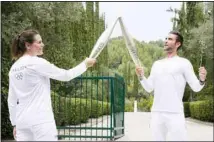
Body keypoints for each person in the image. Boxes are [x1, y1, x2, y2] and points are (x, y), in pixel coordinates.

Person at [7, 29, 96, 141]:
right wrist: (85, 65)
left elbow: (12, 100)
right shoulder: (37, 62)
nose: (42, 44)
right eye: (39, 42)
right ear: (28, 45)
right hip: (41, 121)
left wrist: (15, 123)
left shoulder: (14, 68)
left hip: (21, 123)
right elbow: (66, 75)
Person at [135, 31, 207, 141]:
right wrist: (141, 77)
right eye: (166, 38)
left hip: (175, 113)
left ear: (178, 44)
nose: (166, 41)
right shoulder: (157, 64)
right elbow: (149, 87)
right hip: (157, 113)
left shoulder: (184, 63)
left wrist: (202, 79)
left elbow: (196, 87)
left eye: (170, 39)